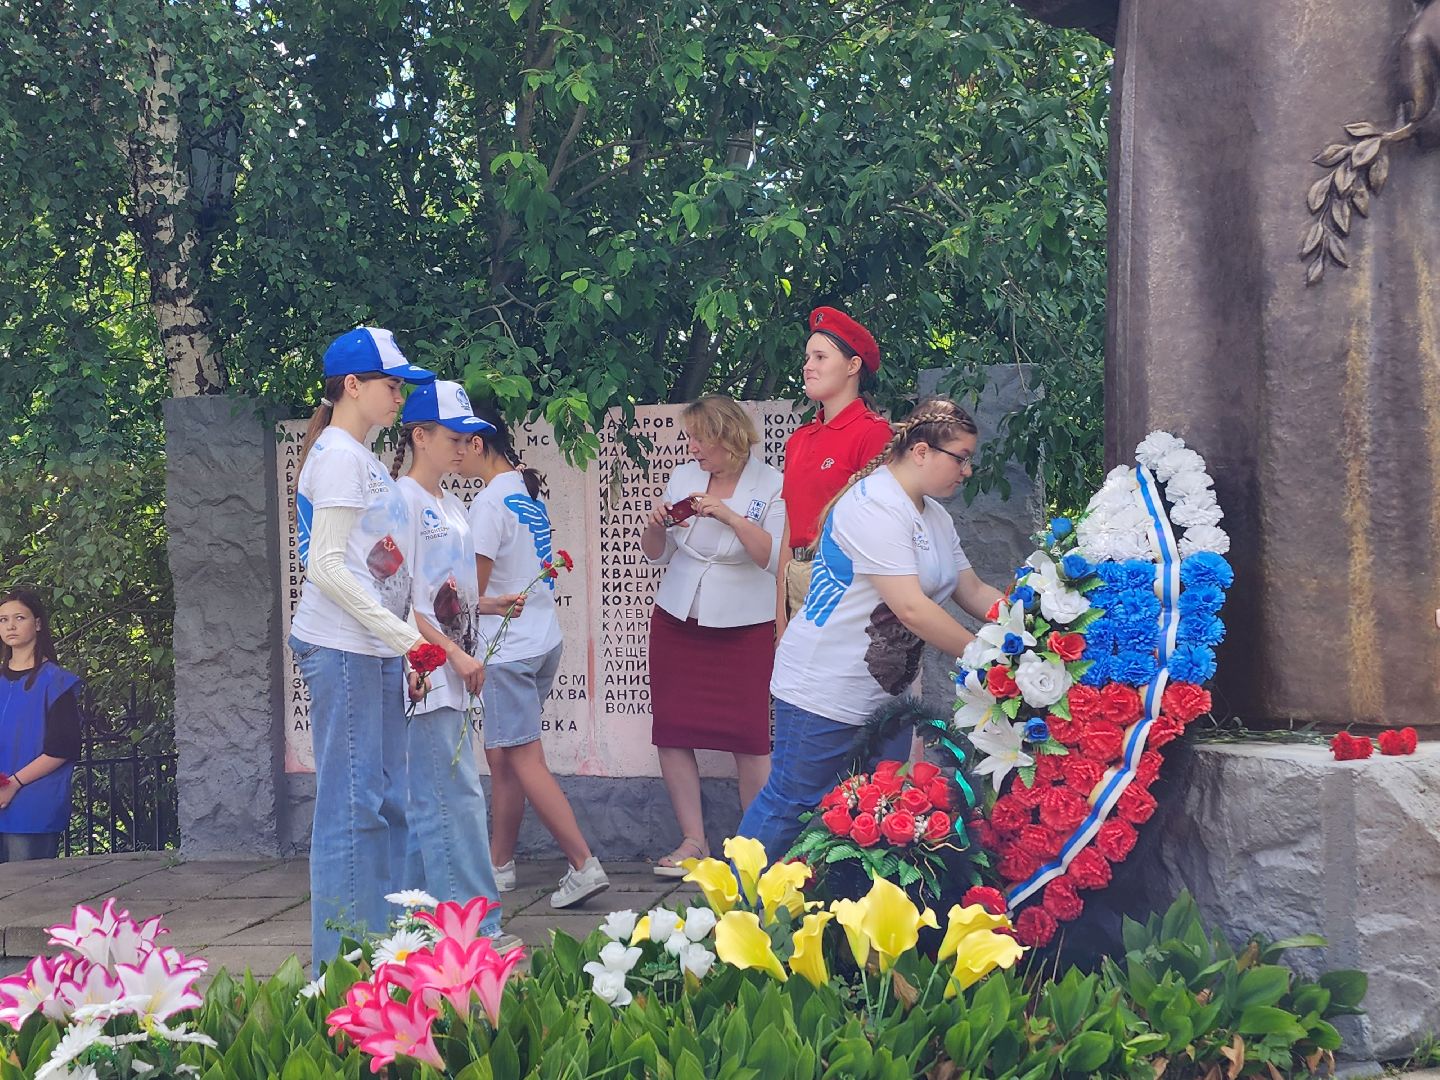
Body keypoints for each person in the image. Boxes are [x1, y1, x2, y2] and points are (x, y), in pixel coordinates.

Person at [738, 398, 1005, 859]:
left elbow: (973, 589)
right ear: (921, 452)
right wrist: (988, 658)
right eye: (960, 458)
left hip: (885, 699)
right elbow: (911, 608)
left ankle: (841, 906)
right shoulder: (874, 504)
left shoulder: (935, 516)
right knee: (792, 804)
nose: (966, 472)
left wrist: (1028, 623)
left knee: (875, 815)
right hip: (823, 688)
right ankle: (730, 898)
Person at [288, 326, 435, 966]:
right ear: (353, 385)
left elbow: (371, 561)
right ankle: (342, 973)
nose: (400, 396)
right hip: (343, 648)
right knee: (353, 811)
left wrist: (401, 644)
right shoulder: (341, 457)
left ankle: (385, 953)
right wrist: (408, 640)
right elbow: (324, 566)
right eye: (390, 384)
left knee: (385, 805)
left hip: (370, 650)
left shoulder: (362, 457)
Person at [463, 403, 609, 909]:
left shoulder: (488, 504)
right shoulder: (525, 492)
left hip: (508, 651)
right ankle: (499, 865)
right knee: (503, 754)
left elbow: (473, 594)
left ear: (478, 444)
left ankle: (583, 865)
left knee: (523, 758)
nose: (453, 454)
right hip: (542, 641)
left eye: (458, 442)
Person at [638, 395, 785, 875]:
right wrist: (655, 525)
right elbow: (656, 553)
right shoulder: (683, 476)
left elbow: (772, 557)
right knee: (673, 729)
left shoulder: (772, 482)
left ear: (728, 436)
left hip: (746, 621)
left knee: (750, 736)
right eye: (691, 439)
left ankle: (757, 851)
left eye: (700, 438)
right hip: (678, 616)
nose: (693, 448)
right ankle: (693, 841)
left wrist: (729, 516)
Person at [390, 380, 515, 942]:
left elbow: (445, 594)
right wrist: (457, 654)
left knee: (436, 800)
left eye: (468, 438)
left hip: (455, 673)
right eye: (454, 437)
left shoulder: (451, 504)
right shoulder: (401, 502)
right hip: (429, 675)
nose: (465, 447)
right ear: (420, 436)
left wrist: (489, 605)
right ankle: (477, 928)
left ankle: (413, 926)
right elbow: (396, 602)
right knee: (455, 799)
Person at [775, 307, 893, 637]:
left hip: (848, 586)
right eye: (807, 358)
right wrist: (781, 622)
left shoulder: (873, 433)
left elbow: (882, 530)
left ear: (853, 366)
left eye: (820, 357)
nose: (807, 366)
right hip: (798, 578)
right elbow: (790, 530)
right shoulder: (799, 440)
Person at [0, 587, 82, 862]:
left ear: (37, 624)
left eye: (19, 618)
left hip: (32, 808)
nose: (10, 626)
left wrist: (14, 783)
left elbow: (62, 748)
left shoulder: (57, 682)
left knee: (25, 887)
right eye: (3, 619)